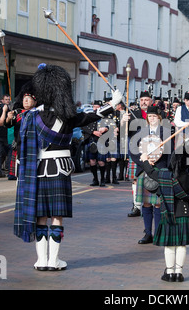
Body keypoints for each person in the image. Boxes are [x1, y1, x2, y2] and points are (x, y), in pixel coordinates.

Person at [13, 63, 123, 271]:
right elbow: (93, 116)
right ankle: (54, 260)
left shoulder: (31, 117)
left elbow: (21, 146)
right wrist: (114, 102)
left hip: (37, 171)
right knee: (56, 216)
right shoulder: (67, 117)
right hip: (60, 170)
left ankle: (41, 260)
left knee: (41, 216)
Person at [140, 146, 189, 282]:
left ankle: (169, 273)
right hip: (183, 213)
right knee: (181, 245)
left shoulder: (165, 175)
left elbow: (151, 171)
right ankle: (179, 273)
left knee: (170, 245)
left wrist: (144, 160)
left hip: (168, 212)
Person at [129, 105, 172, 244]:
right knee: (146, 204)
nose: (152, 119)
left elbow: (170, 153)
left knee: (158, 204)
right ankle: (148, 233)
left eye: (154, 116)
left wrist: (163, 165)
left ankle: (158, 233)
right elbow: (133, 151)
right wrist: (144, 162)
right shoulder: (141, 132)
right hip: (144, 170)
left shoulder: (166, 132)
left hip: (159, 169)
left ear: (159, 118)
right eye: (150, 117)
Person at [0, 94, 11, 177]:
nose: (7, 101)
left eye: (8, 99)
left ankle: (0, 169)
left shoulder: (8, 109)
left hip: (5, 134)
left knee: (4, 153)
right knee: (1, 153)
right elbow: (0, 122)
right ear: (2, 100)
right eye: (6, 99)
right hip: (0, 134)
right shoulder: (0, 109)